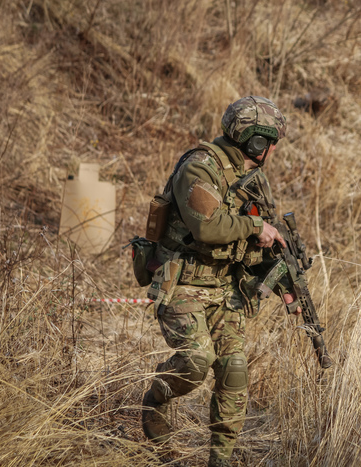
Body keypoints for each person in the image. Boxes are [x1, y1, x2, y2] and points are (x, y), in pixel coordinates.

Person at [141, 96, 297, 467]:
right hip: (182, 282)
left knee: (234, 372)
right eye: (270, 141)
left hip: (226, 290)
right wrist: (257, 227)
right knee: (196, 360)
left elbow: (255, 246)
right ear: (256, 142)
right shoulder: (200, 167)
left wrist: (280, 274)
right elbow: (207, 227)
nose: (273, 150)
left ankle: (220, 459)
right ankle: (154, 400)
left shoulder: (254, 182)